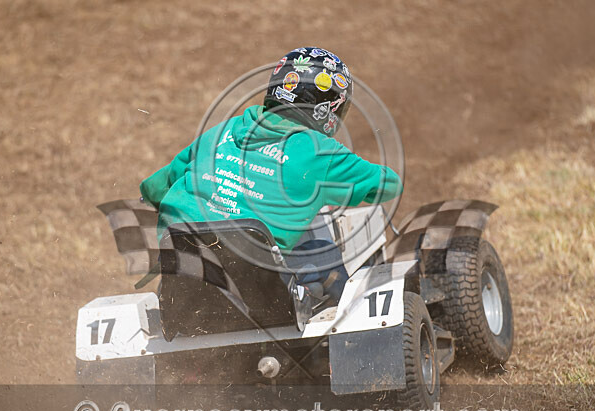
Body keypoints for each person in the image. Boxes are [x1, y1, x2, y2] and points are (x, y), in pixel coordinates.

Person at [140, 47, 402, 301]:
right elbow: (389, 184)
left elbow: (157, 186)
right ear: (327, 108)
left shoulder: (226, 128)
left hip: (183, 272)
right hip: (258, 290)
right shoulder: (321, 152)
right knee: (320, 251)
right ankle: (338, 328)